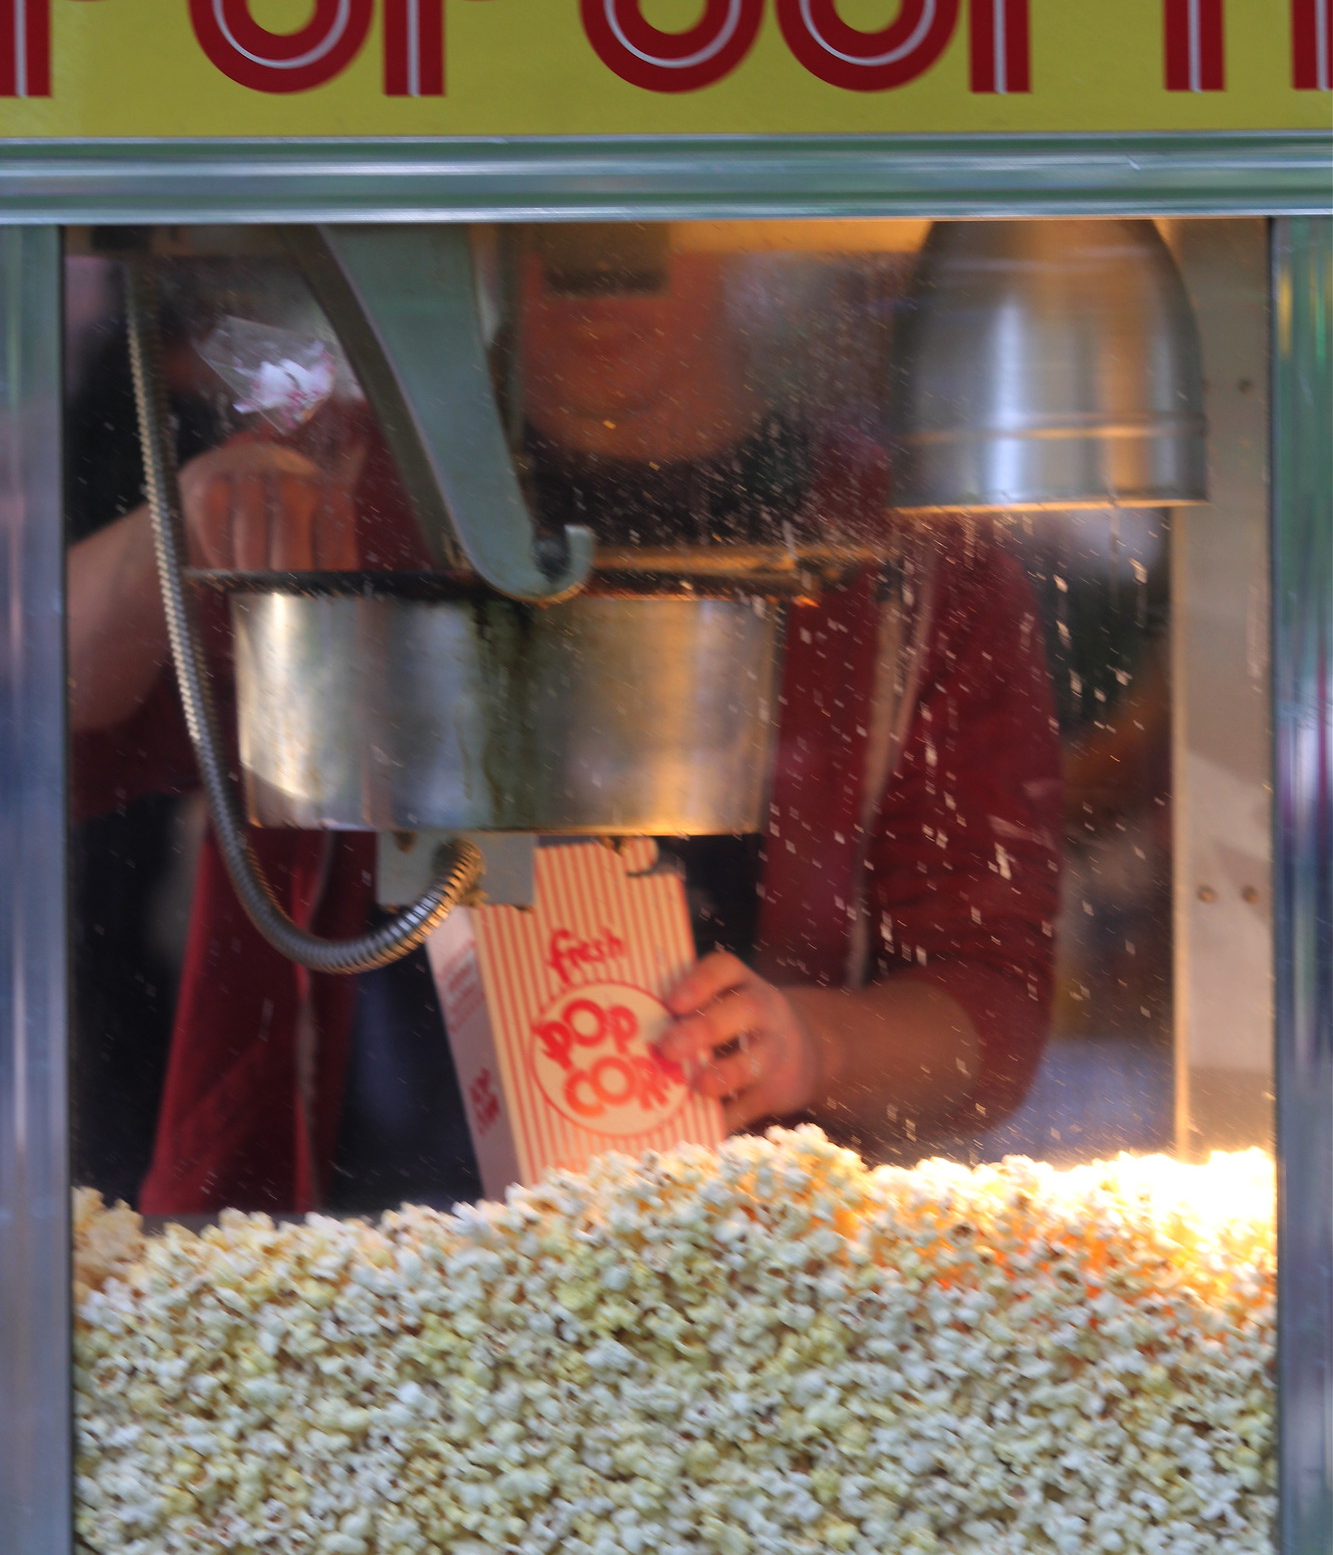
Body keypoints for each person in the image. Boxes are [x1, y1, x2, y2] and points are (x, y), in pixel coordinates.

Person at [69, 228, 1060, 1211]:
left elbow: (987, 1003)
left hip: (749, 1262)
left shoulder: (911, 563)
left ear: (750, 224)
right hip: (329, 1239)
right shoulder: (324, 486)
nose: (596, 280)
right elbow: (51, 738)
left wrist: (813, 1043)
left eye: (641, 235)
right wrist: (171, 528)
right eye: (554, 231)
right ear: (476, 241)